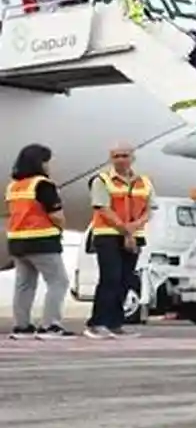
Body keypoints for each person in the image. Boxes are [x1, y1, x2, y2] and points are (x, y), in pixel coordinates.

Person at [85, 142, 154, 338]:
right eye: (116, 156)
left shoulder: (145, 182)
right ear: (110, 159)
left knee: (126, 279)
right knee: (110, 278)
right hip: (108, 235)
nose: (121, 160)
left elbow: (150, 210)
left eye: (125, 155)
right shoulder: (102, 180)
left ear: (133, 158)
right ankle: (97, 323)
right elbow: (103, 209)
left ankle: (115, 323)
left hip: (134, 235)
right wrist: (126, 231)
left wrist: (133, 228)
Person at [6, 144, 73, 339]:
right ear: (40, 163)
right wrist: (61, 225)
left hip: (17, 242)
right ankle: (50, 325)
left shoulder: (13, 186)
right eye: (47, 162)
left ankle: (22, 327)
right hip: (42, 241)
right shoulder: (43, 185)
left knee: (24, 285)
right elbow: (56, 215)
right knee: (58, 281)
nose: (49, 166)